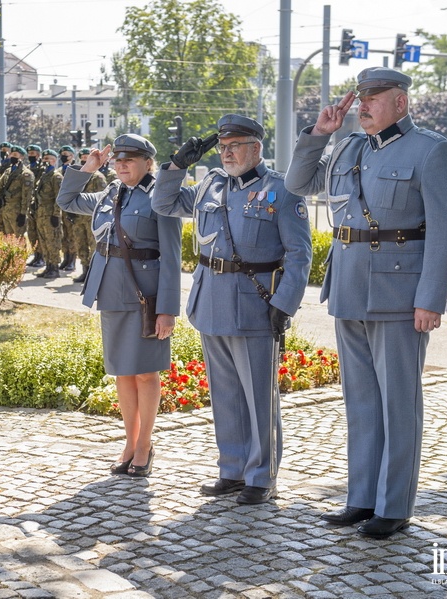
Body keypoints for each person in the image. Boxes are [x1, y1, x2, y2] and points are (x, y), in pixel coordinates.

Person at [284, 67, 447, 538]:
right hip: (348, 290)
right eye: (359, 97)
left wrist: (431, 298)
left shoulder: (431, 150)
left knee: (398, 404)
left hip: (400, 296)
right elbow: (298, 184)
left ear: (400, 102)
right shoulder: (348, 147)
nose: (361, 106)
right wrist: (319, 135)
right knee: (361, 403)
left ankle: (393, 505)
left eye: (373, 97)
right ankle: (361, 499)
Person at [152, 115, 312, 504]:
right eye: (222, 147)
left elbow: (299, 255)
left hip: (255, 304)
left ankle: (261, 475)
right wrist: (176, 166)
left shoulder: (282, 190)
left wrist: (284, 304)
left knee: (259, 397)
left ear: (256, 148)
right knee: (224, 394)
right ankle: (233, 469)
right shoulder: (210, 184)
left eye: (234, 146)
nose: (226, 153)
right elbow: (163, 202)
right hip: (211, 301)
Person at [58, 134, 182, 478]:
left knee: (145, 372)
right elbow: (67, 200)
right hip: (111, 289)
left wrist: (168, 309)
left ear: (147, 163)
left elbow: (173, 257)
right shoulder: (110, 193)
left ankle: (145, 444)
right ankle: (129, 443)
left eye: (130, 159)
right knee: (123, 371)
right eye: (118, 160)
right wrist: (89, 167)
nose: (122, 165)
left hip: (146, 294)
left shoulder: (161, 197)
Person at [73, 148, 106, 283]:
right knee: (81, 244)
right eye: (82, 158)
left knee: (94, 247)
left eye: (87, 158)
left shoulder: (98, 178)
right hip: (78, 218)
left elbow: (104, 199)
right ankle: (85, 271)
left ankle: (95, 274)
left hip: (92, 220)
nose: (84, 161)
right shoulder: (77, 177)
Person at [34, 149, 64, 279]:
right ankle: (48, 266)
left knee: (53, 242)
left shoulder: (56, 177)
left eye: (48, 159)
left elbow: (59, 197)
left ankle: (55, 268)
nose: (44, 161)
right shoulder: (43, 176)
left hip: (51, 215)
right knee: (44, 241)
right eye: (44, 158)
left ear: (54, 161)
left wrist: (56, 215)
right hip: (41, 215)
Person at [0, 145, 34, 237]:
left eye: (15, 154)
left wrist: (23, 213)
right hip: (6, 209)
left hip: (17, 211)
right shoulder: (7, 171)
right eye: (11, 154)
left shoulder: (26, 174)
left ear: (21, 157)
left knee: (19, 240)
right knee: (7, 239)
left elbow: (27, 196)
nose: (12, 156)